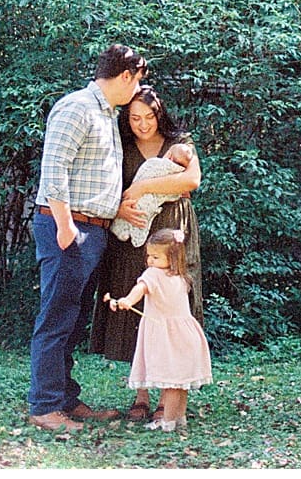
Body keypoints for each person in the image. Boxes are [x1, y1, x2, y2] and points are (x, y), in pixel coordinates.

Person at [26, 43, 150, 433]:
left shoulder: (106, 113)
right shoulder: (77, 107)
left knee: (75, 320)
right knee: (56, 319)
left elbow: (89, 178)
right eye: (138, 81)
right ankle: (45, 407)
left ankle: (65, 399)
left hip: (93, 230)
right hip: (69, 229)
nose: (137, 90)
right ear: (127, 76)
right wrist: (65, 228)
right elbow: (55, 169)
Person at [89, 84, 204, 423]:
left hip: (172, 232)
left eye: (149, 116)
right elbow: (108, 189)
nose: (143, 124)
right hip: (132, 238)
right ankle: (141, 393)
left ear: (160, 114)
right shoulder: (121, 147)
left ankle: (168, 394)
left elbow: (190, 181)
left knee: (172, 310)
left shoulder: (180, 142)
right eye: (135, 117)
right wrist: (120, 208)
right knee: (136, 305)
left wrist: (140, 187)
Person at [104, 227, 213, 430]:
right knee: (181, 382)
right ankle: (180, 418)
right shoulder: (182, 277)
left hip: (167, 335)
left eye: (155, 256)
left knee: (172, 382)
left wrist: (127, 300)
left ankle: (168, 422)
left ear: (172, 257)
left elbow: (141, 288)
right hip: (186, 334)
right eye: (149, 256)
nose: (150, 261)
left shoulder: (153, 274)